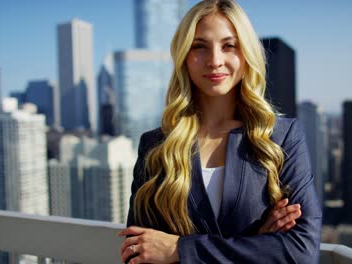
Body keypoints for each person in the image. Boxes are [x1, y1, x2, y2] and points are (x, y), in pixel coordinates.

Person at [118, 0, 322, 263]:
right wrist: (256, 244)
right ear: (184, 57)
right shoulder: (155, 146)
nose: (215, 61)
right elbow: (137, 253)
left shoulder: (283, 138)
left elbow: (302, 251)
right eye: (199, 47)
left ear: (246, 52)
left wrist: (179, 249)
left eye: (229, 46)